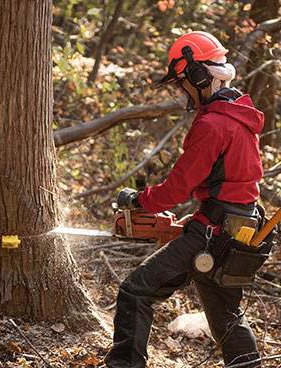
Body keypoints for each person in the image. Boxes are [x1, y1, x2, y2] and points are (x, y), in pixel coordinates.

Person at [104, 31, 265, 368]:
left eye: (181, 82)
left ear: (198, 75)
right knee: (225, 312)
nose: (181, 90)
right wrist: (200, 221)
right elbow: (232, 186)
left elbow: (178, 189)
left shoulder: (214, 124)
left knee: (136, 291)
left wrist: (139, 201)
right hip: (238, 230)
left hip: (215, 233)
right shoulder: (240, 117)